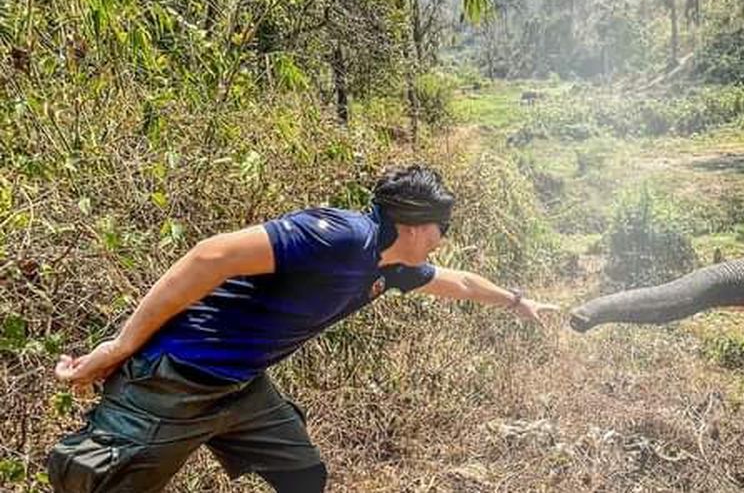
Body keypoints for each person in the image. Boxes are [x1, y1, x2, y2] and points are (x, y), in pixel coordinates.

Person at [48, 165, 558, 493]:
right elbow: (212, 255)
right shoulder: (339, 236)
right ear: (415, 226)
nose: (442, 243)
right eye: (441, 231)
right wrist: (121, 344)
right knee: (97, 485)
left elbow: (462, 282)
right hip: (174, 379)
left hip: (241, 388)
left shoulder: (391, 266)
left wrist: (517, 302)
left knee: (303, 476)